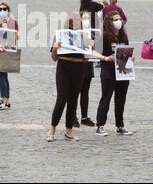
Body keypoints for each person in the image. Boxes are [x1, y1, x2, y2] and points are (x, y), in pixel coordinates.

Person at [47, 13, 112, 142]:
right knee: (61, 99)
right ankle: (52, 128)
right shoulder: (60, 34)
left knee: (73, 100)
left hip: (78, 68)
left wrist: (92, 47)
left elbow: (87, 58)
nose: (75, 24)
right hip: (63, 67)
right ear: (68, 23)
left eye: (78, 22)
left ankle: (69, 129)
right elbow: (54, 58)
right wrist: (55, 48)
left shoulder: (84, 35)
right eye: (73, 22)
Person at [95, 11, 134, 136]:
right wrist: (105, 58)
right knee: (106, 98)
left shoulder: (123, 37)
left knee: (121, 99)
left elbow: (125, 52)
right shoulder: (105, 36)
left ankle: (120, 125)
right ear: (109, 22)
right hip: (108, 71)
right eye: (116, 19)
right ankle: (100, 125)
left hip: (122, 71)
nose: (119, 21)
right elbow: (95, 52)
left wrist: (130, 59)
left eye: (120, 19)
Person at [0, 3, 19, 110]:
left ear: (8, 9)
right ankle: (6, 100)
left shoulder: (12, 21)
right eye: (0, 9)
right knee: (3, 76)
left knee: (1, 75)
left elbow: (16, 36)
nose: (2, 10)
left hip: (6, 50)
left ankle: (4, 100)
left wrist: (5, 27)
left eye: (4, 9)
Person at [73, 11, 96, 127]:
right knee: (75, 92)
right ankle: (73, 116)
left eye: (88, 18)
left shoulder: (90, 33)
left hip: (88, 65)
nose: (87, 20)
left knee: (85, 92)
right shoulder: (75, 33)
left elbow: (94, 50)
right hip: (78, 65)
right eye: (85, 18)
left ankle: (84, 116)